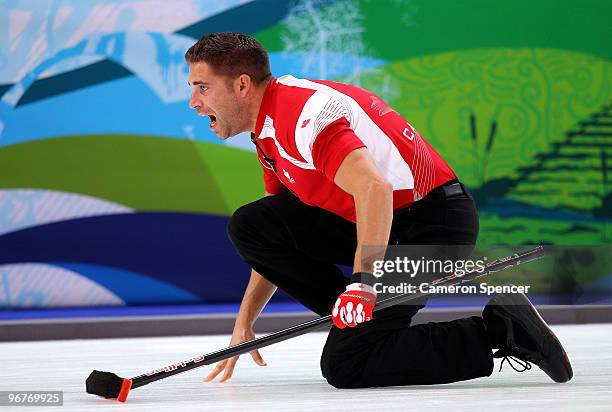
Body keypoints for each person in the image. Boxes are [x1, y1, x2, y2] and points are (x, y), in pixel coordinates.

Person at [185, 32, 573, 388]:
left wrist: (362, 285)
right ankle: (365, 319)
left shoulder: (303, 116)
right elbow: (276, 228)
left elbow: (375, 188)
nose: (194, 102)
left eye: (203, 88)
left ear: (241, 84)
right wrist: (245, 321)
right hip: (380, 225)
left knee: (346, 364)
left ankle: (498, 329)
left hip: (433, 225)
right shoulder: (268, 129)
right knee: (252, 224)